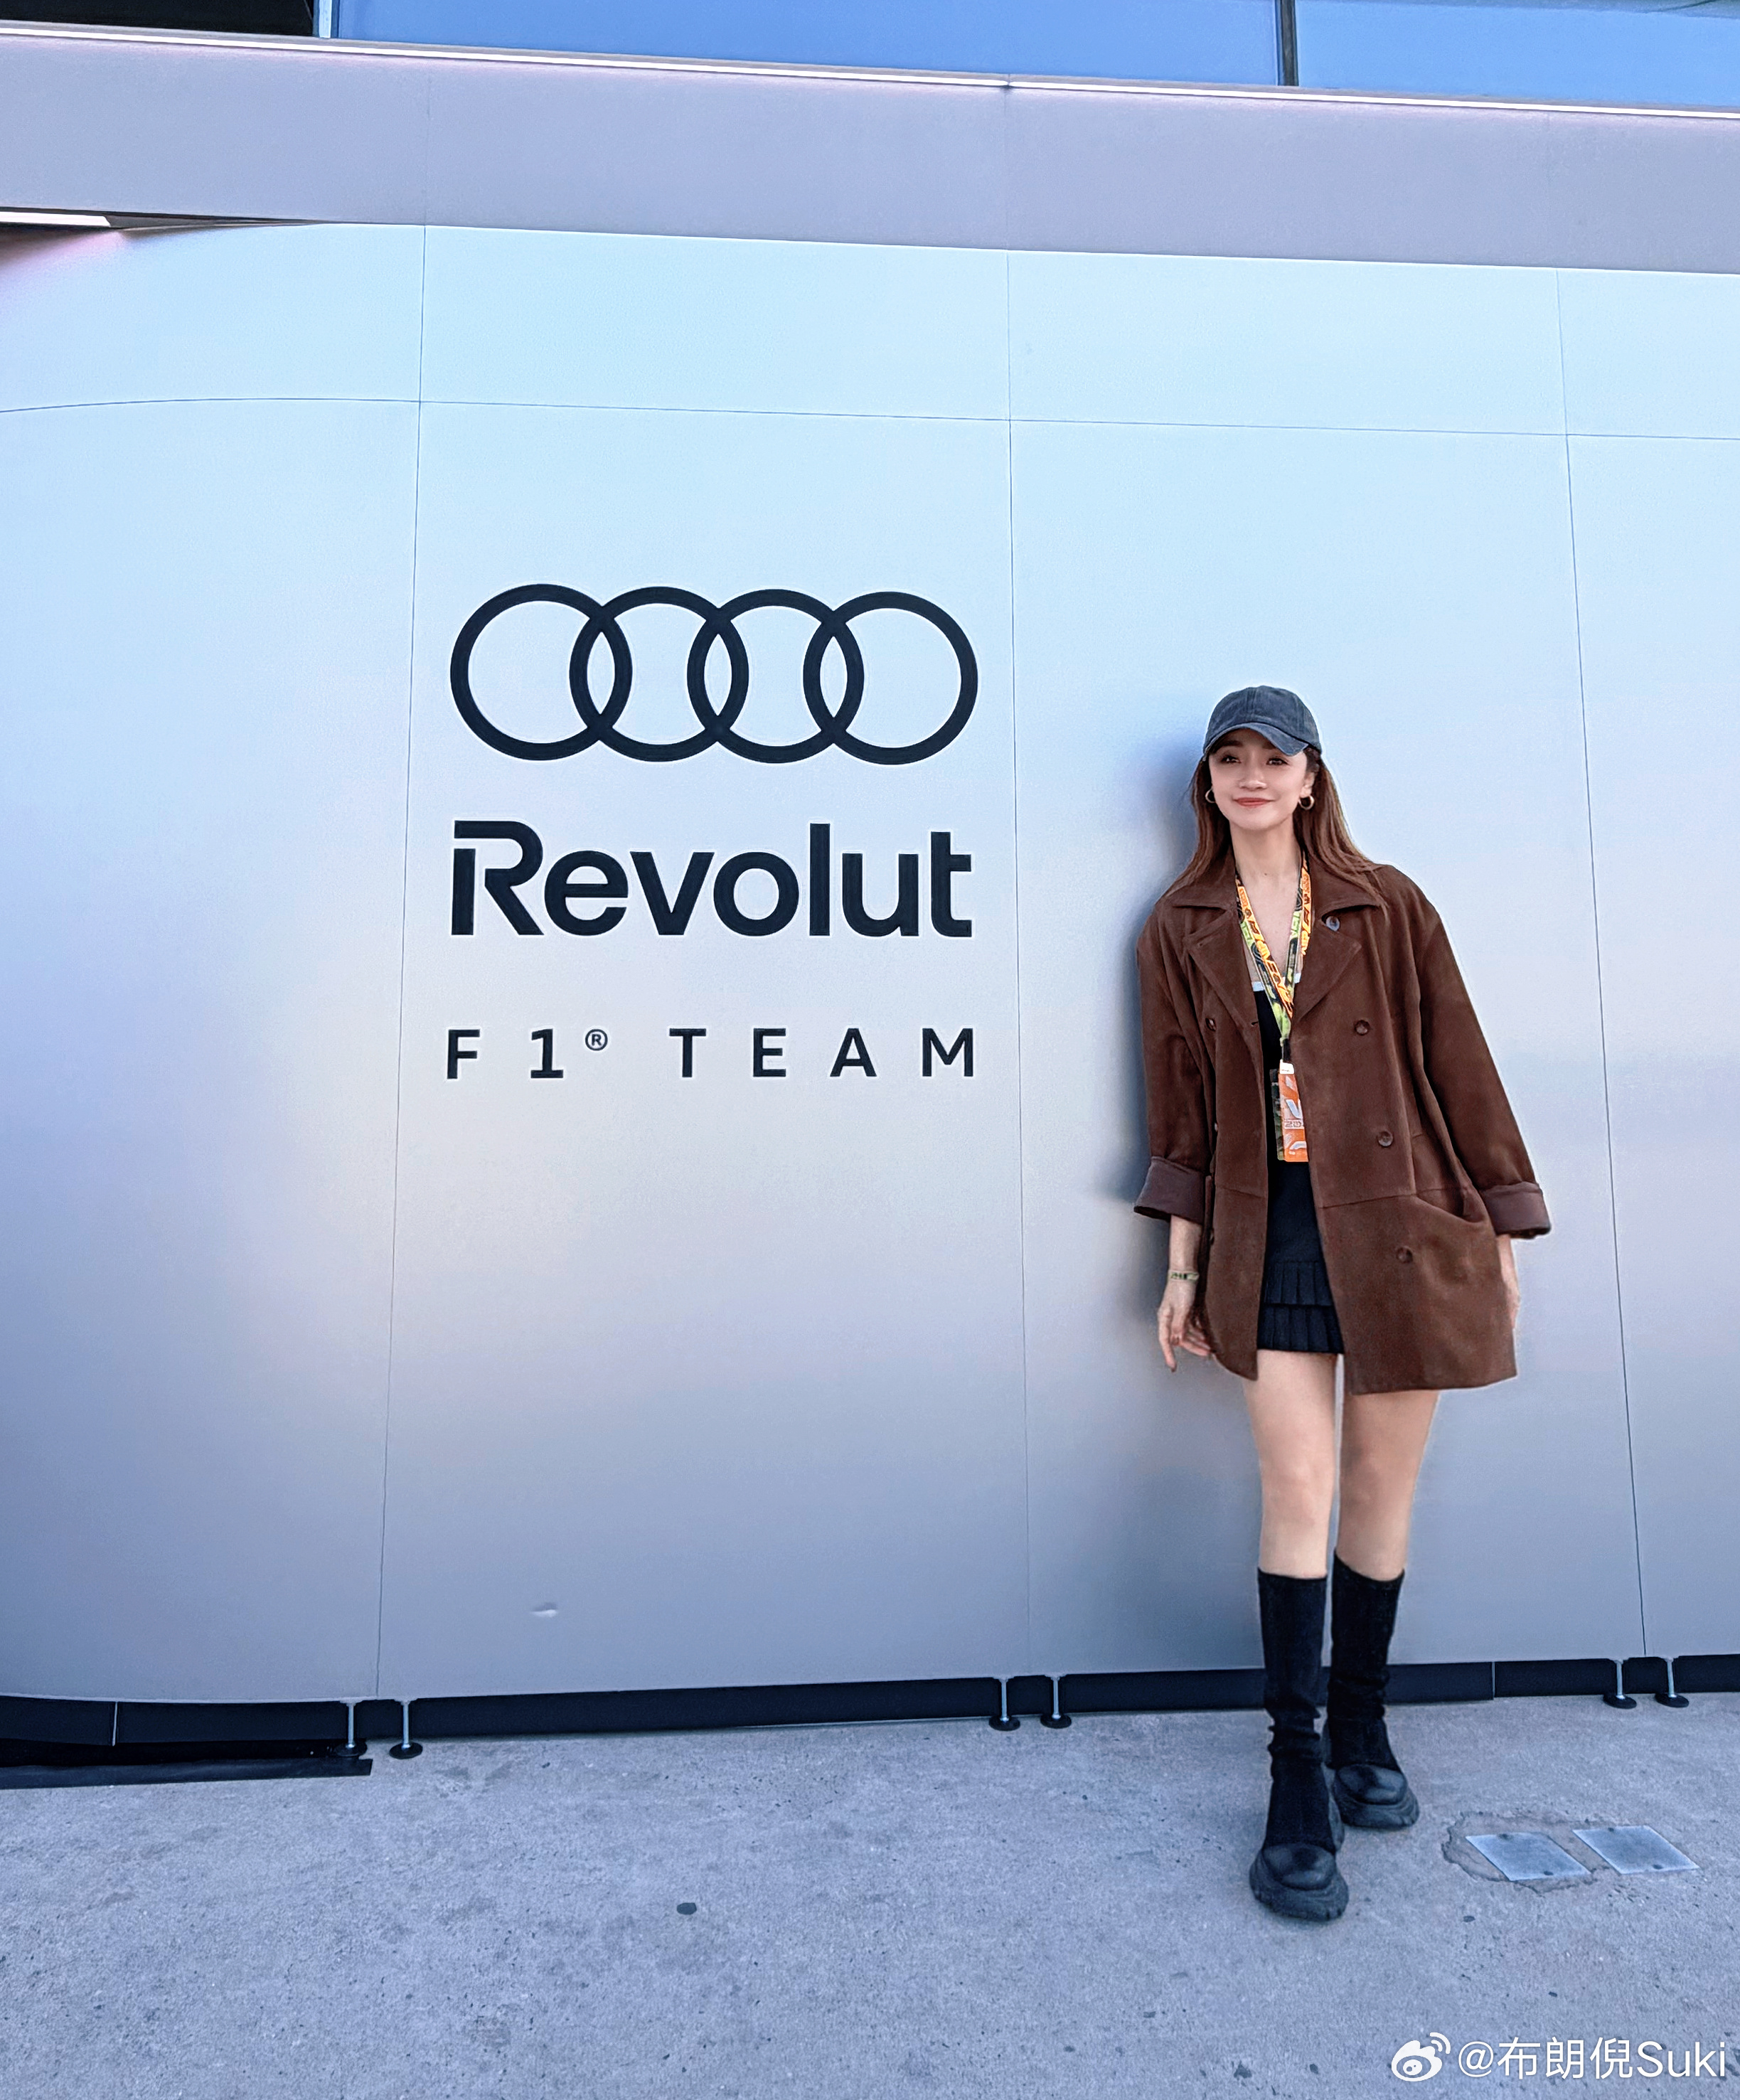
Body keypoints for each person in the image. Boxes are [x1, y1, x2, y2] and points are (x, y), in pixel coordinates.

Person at [1135, 686, 1549, 1923]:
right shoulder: (1181, 925)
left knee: (1377, 1487)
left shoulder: (1386, 902)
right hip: (1270, 1233)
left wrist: (1503, 1217)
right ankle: (1296, 1773)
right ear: (1209, 782)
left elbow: (1458, 1059)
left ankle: (1365, 1725)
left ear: (1312, 776)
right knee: (1298, 1486)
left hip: (1403, 1223)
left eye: (1275, 756)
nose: (1253, 776)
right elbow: (1180, 1114)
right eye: (1231, 757)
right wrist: (1182, 1268)